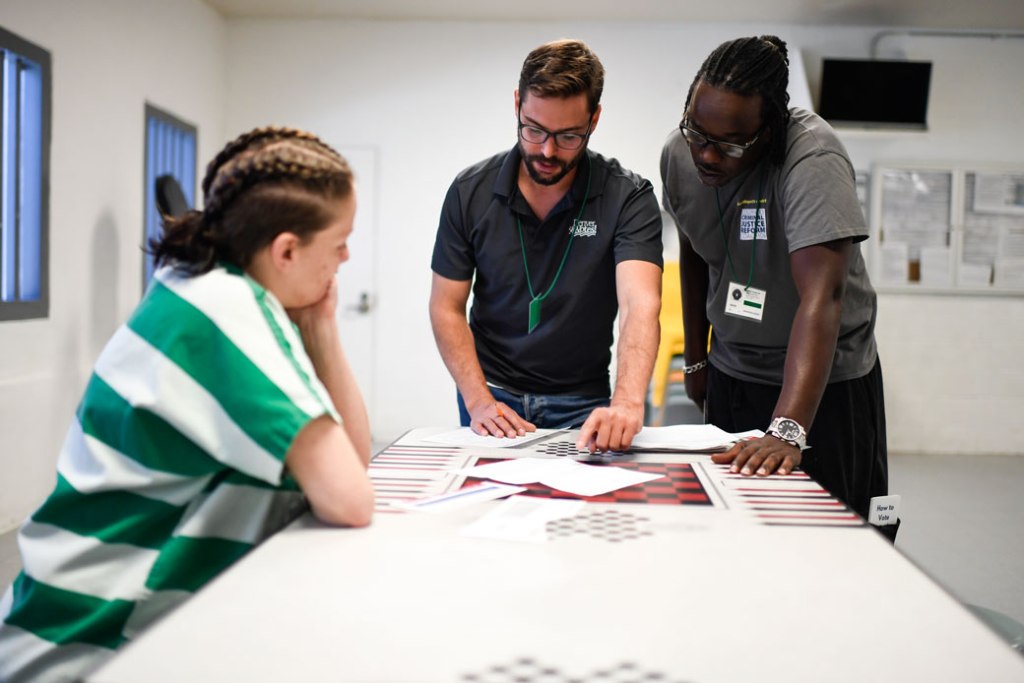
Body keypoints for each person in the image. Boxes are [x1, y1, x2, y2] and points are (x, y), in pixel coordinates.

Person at [0, 127, 375, 681]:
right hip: (88, 648)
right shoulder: (225, 312)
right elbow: (350, 496)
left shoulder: (202, 284)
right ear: (287, 250)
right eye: (339, 240)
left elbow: (352, 457)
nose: (346, 255)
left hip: (90, 619)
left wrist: (319, 321)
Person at [659, 35, 891, 532]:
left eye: (729, 144)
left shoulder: (813, 159)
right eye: (697, 132)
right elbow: (696, 253)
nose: (707, 155)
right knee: (732, 526)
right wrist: (698, 359)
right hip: (734, 372)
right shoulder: (679, 155)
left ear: (770, 130)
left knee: (829, 536)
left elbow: (822, 296)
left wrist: (788, 429)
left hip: (825, 387)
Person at [430, 38, 663, 453]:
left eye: (569, 136)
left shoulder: (627, 196)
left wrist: (627, 402)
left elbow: (639, 305)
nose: (547, 151)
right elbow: (446, 306)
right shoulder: (471, 192)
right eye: (533, 130)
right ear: (518, 102)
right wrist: (479, 400)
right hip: (491, 399)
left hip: (584, 403)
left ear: (594, 119)